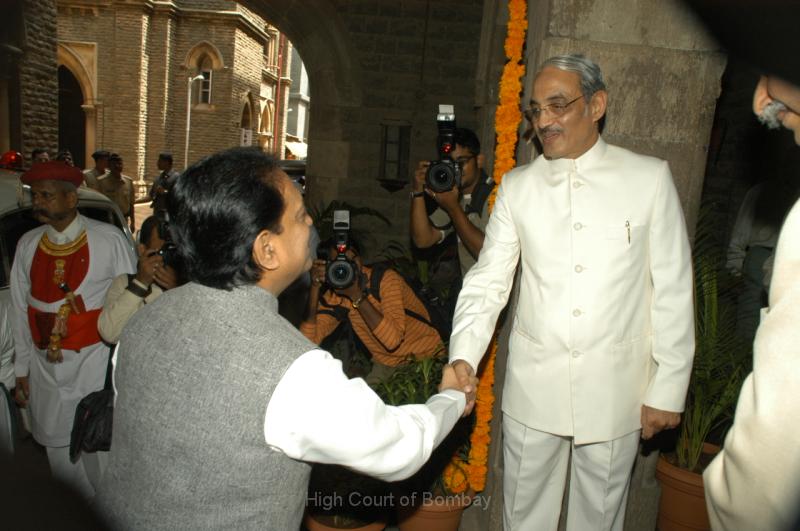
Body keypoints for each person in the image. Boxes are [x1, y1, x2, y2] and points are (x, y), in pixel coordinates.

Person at [95, 147, 474, 530]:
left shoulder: (142, 324)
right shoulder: (290, 370)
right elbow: (399, 448)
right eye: (300, 215)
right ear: (267, 249)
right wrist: (452, 397)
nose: (312, 223)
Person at [448, 54, 695, 531]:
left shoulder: (649, 178)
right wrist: (463, 355)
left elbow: (672, 288)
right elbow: (488, 281)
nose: (544, 121)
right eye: (536, 110)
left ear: (597, 104)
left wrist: (668, 386)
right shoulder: (519, 187)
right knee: (523, 517)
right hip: (533, 388)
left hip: (616, 388)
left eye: (557, 105)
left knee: (599, 520)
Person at [688, 2, 800, 529]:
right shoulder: (761, 196)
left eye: (771, 68)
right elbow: (737, 243)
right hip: (757, 275)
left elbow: (767, 477)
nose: (761, 96)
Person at [9, 161, 136, 498]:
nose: (39, 202)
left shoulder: (108, 240)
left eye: (47, 195)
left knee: (98, 459)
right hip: (44, 368)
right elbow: (20, 308)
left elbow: (130, 307)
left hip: (94, 368)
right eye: (35, 195)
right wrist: (21, 368)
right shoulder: (27, 244)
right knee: (58, 459)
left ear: (71, 199)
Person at [301, 239, 442, 385]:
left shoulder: (385, 281)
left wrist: (356, 295)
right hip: (386, 363)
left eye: (352, 259)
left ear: (361, 258)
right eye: (339, 263)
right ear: (328, 267)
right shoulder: (336, 296)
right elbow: (307, 342)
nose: (347, 267)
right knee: (362, 406)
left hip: (426, 355)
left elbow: (392, 340)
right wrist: (314, 288)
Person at [410, 127, 494, 277]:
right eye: (451, 164)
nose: (456, 170)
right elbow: (423, 240)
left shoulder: (495, 196)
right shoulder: (454, 196)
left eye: (461, 162)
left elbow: (489, 254)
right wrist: (417, 193)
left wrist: (453, 208)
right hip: (471, 294)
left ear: (479, 160)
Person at [97, 216, 180, 344]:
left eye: (173, 250)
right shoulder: (125, 283)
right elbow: (109, 333)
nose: (168, 257)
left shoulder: (190, 283)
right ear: (142, 250)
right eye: (163, 251)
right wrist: (140, 284)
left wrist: (179, 291)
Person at [96, 153, 135, 232]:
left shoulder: (128, 182)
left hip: (124, 220)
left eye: (120, 164)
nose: (117, 166)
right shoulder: (101, 182)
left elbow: (131, 204)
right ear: (109, 166)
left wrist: (133, 222)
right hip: (108, 220)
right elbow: (98, 204)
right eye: (114, 164)